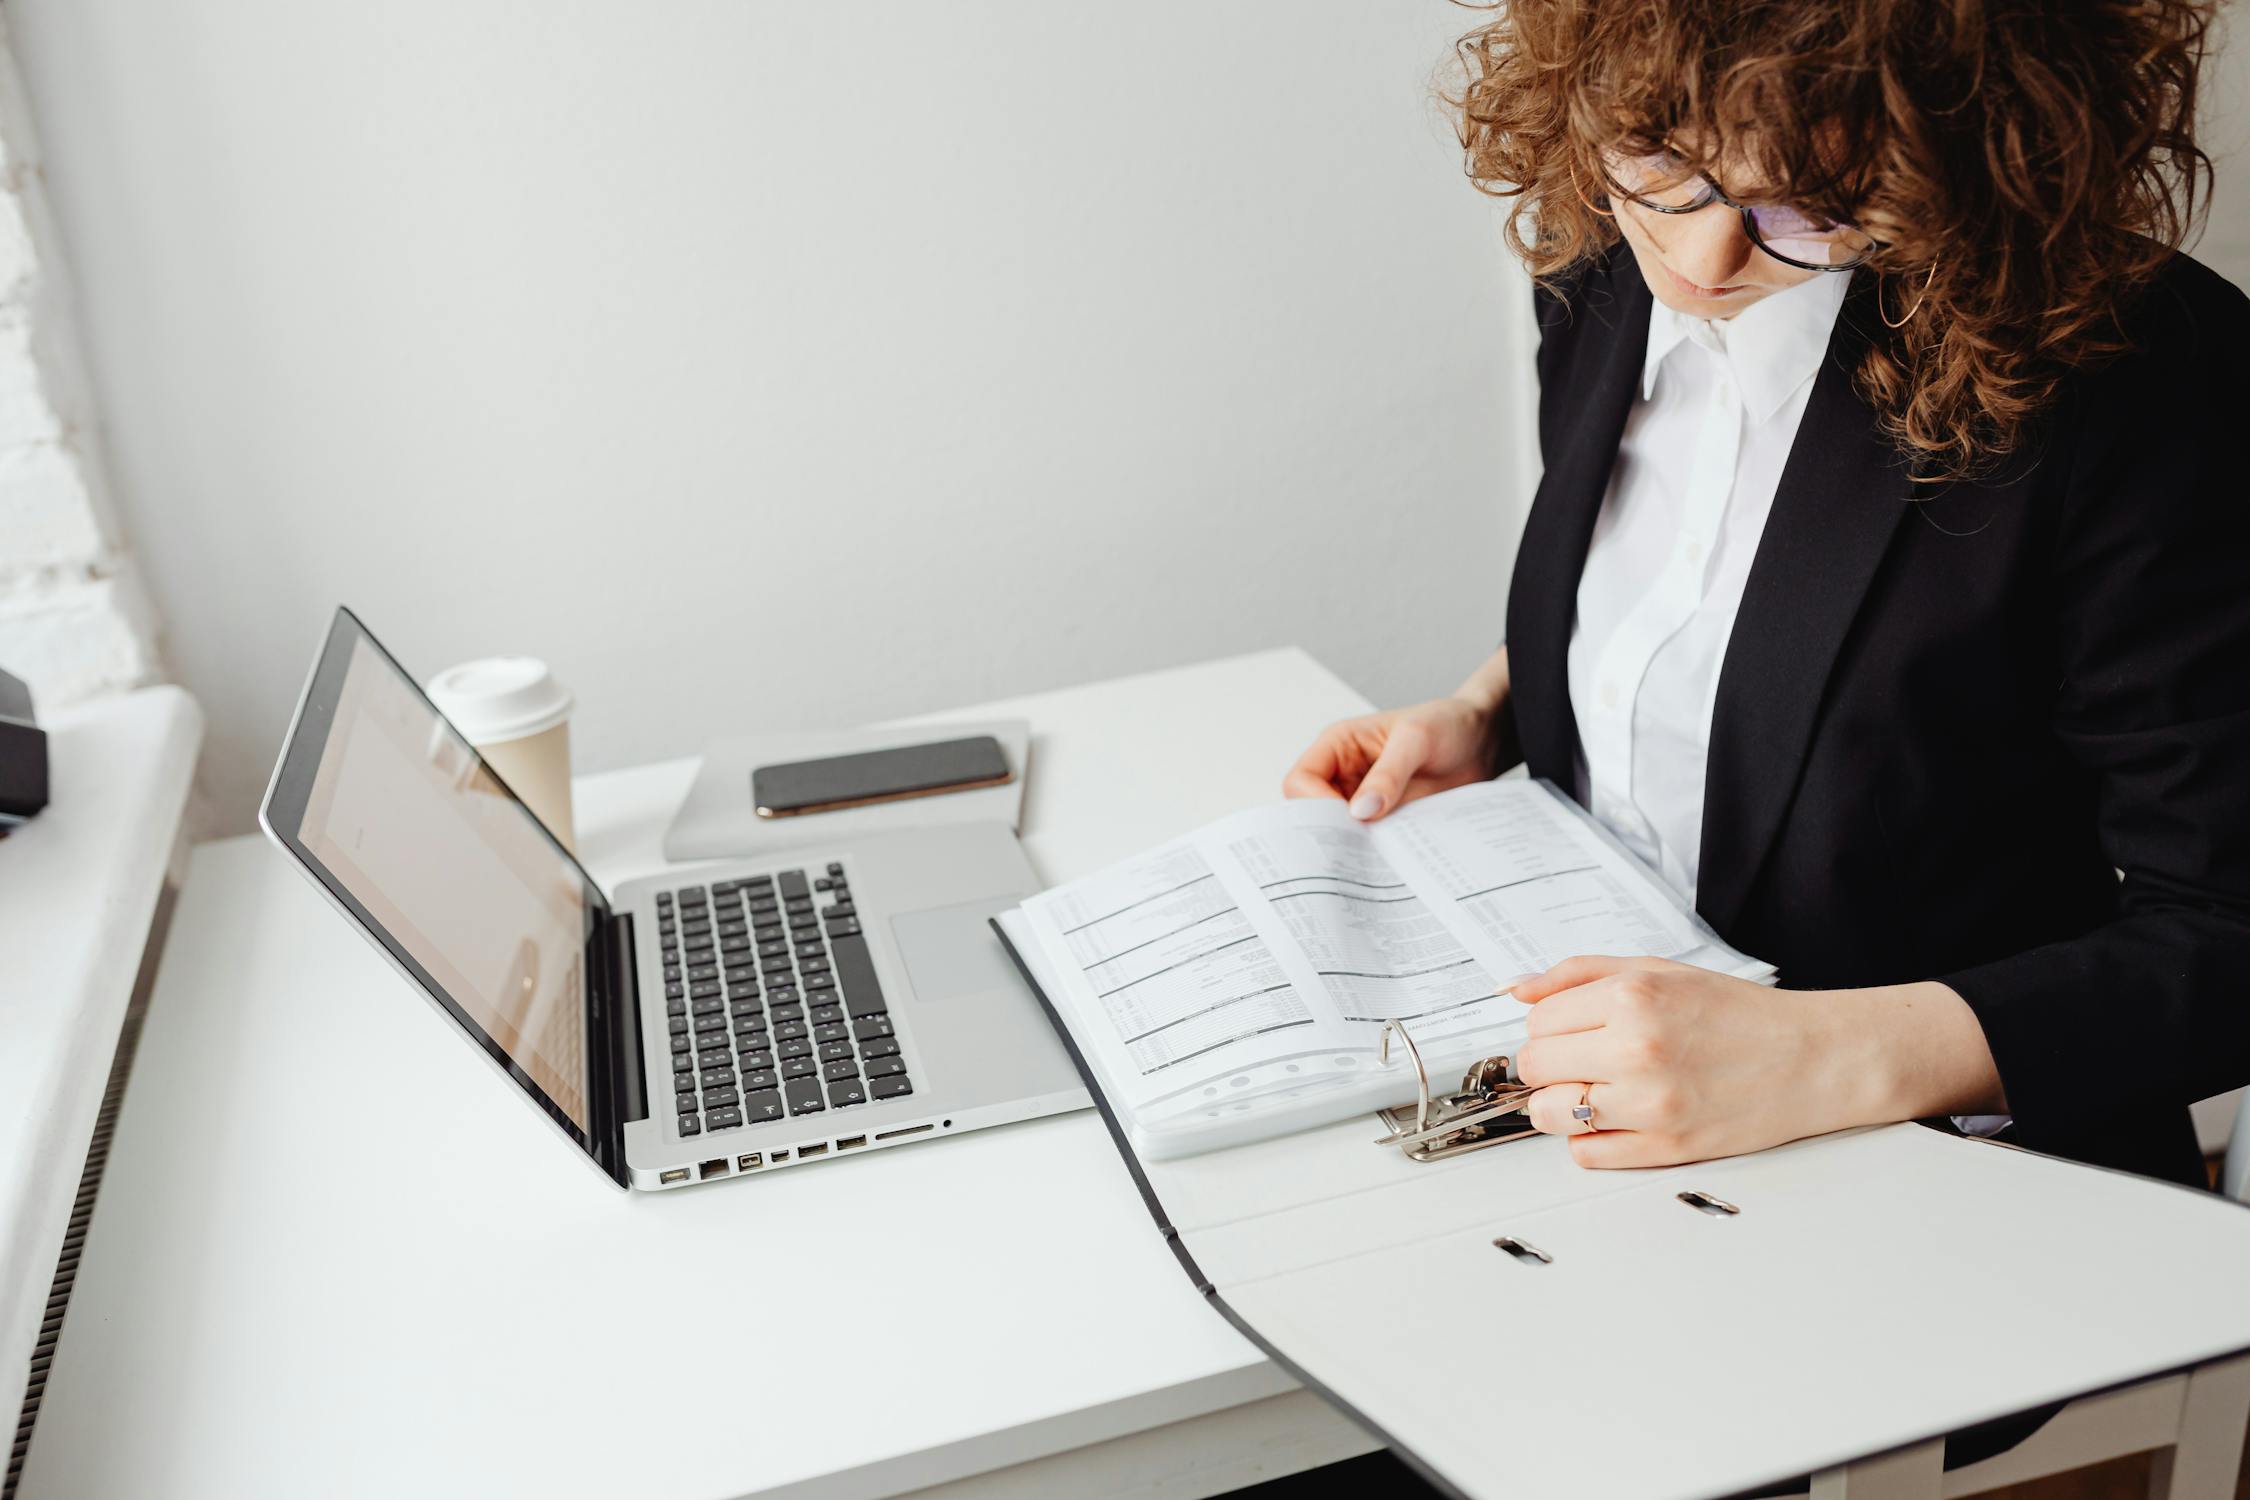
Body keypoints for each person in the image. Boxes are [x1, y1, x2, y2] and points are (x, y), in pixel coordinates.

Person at [1286, 0, 2249, 1188]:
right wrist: (1495, 712)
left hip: (1956, 1193)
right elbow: (1718, 615)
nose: (1701, 264)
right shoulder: (1600, 252)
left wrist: (1821, 1057)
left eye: (1812, 207)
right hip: (1592, 1116)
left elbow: (2225, 932)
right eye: (1664, 165)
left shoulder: (2149, 377)